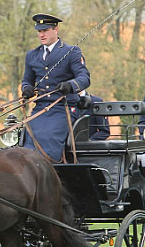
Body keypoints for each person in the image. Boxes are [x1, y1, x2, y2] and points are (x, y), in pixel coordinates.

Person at [21, 13, 92, 162]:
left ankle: (47, 173)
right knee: (28, 139)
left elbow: (84, 78)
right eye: (39, 31)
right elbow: (27, 80)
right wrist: (26, 89)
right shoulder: (32, 55)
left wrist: (70, 85)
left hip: (63, 107)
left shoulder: (71, 52)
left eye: (45, 30)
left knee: (48, 138)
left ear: (56, 30)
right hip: (40, 108)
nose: (41, 35)